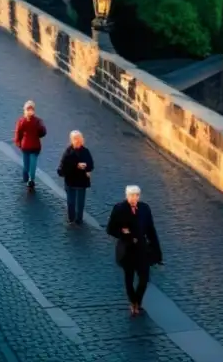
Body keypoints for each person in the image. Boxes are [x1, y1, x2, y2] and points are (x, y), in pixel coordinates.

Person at [106, 185, 162, 316]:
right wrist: (122, 232)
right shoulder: (119, 209)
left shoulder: (144, 208)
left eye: (136, 195)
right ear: (127, 196)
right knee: (129, 278)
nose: (134, 198)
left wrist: (157, 251)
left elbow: (151, 230)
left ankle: (137, 300)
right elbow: (110, 229)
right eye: (131, 195)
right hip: (127, 250)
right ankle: (133, 303)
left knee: (144, 279)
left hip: (142, 249)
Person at [57, 130, 94, 224]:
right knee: (71, 202)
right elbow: (61, 170)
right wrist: (76, 166)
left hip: (82, 181)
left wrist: (86, 167)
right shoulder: (68, 153)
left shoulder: (86, 151)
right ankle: (71, 218)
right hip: (71, 181)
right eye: (75, 139)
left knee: (80, 203)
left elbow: (91, 165)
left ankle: (79, 219)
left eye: (79, 139)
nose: (78, 141)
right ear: (71, 140)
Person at [14, 101, 46, 190]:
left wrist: (18, 142)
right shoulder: (38, 121)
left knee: (26, 164)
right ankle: (31, 180)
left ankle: (26, 177)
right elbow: (43, 132)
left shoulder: (21, 121)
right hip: (35, 146)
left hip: (25, 146)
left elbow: (18, 132)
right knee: (33, 164)